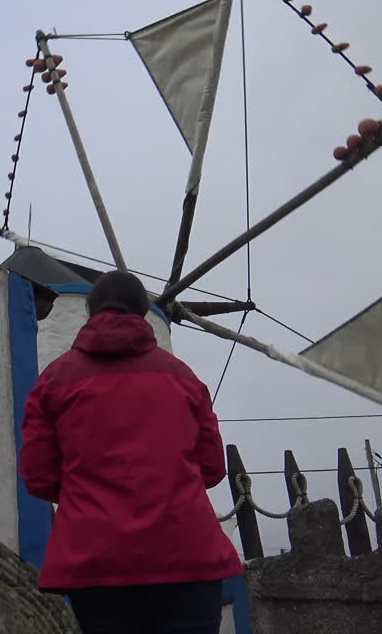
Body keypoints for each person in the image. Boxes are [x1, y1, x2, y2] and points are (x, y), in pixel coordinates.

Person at [19, 270, 243, 634]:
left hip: (95, 559)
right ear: (143, 311)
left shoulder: (54, 380)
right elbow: (213, 468)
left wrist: (87, 494)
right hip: (187, 552)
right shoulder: (184, 378)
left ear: (89, 311)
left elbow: (39, 476)